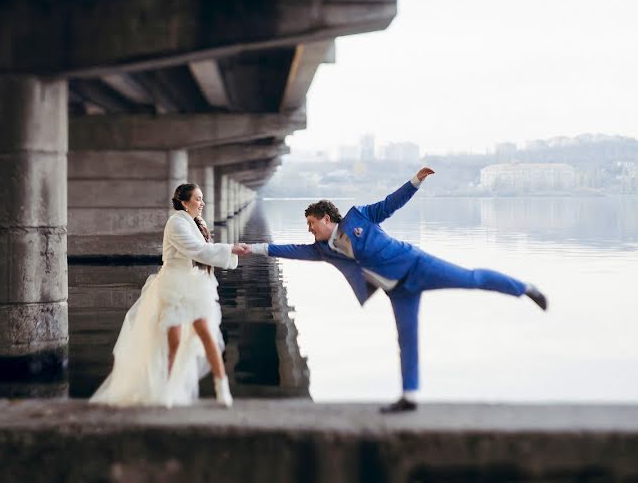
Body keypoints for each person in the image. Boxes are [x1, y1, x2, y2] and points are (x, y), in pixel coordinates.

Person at [236, 167, 548, 413]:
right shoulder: (322, 250)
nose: (309, 229)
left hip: (417, 266)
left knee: (472, 279)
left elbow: (390, 204)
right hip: (398, 290)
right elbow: (287, 249)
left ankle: (524, 288)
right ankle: (409, 396)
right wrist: (252, 248)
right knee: (407, 338)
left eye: (311, 223)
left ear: (327, 219)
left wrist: (415, 181)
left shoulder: (360, 217)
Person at [90, 183, 241, 408]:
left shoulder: (198, 223)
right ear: (184, 202)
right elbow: (197, 250)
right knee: (175, 341)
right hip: (173, 284)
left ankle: (222, 388)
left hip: (195, 284)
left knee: (206, 333)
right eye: (198, 199)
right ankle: (169, 390)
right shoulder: (176, 223)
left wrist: (229, 251)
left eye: (202, 199)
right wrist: (230, 249)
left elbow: (204, 254)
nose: (202, 203)